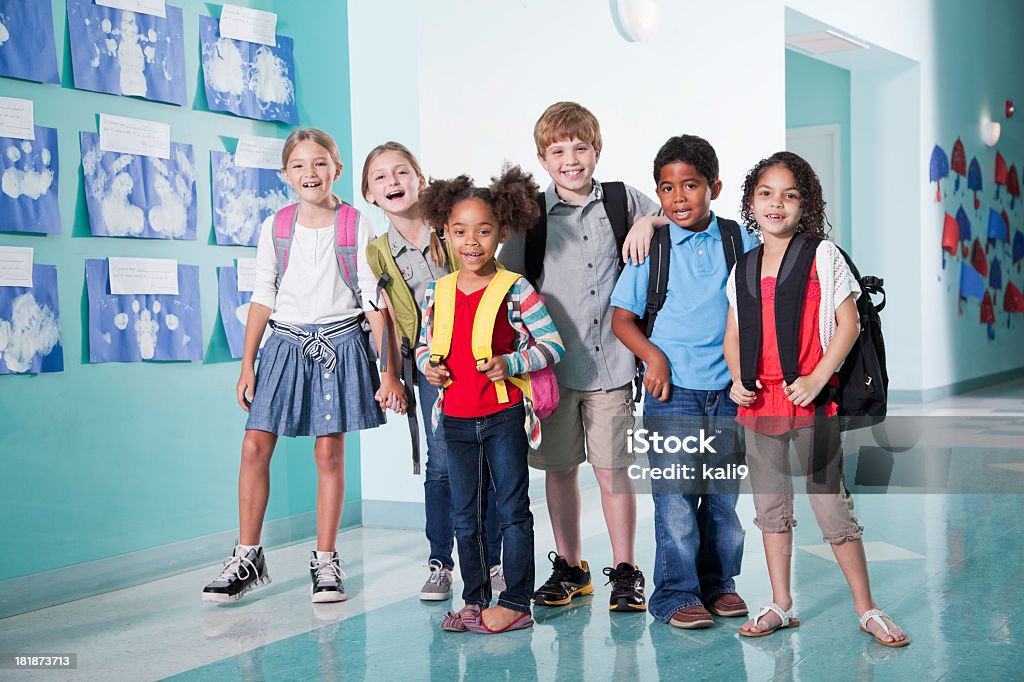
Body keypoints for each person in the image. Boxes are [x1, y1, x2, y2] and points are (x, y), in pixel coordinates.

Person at [202, 128, 405, 604]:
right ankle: (247, 555)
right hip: (283, 347)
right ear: (285, 174)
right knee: (254, 446)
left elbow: (376, 302)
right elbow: (262, 295)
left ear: (337, 169)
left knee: (328, 454)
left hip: (338, 345)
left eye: (319, 163)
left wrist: (389, 370)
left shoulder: (358, 225)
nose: (309, 173)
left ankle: (327, 562)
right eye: (298, 165)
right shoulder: (276, 226)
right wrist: (247, 363)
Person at [724, 151, 908, 647]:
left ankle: (866, 608)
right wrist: (737, 379)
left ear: (805, 204)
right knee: (770, 509)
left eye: (790, 194)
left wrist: (815, 378)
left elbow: (847, 326)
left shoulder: (823, 255)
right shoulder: (743, 265)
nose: (776, 203)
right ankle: (781, 604)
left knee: (831, 507)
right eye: (766, 193)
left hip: (811, 402)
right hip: (757, 405)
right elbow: (734, 335)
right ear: (750, 202)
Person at [498, 101, 660, 612]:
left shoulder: (622, 201)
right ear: (543, 159)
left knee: (613, 471)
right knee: (560, 469)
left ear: (596, 150)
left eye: (580, 147)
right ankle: (570, 567)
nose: (571, 159)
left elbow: (675, 219)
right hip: (551, 370)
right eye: (558, 150)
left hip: (613, 365)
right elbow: (506, 286)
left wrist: (649, 223)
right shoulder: (531, 218)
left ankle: (627, 570)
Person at [611, 134, 759, 628]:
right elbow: (622, 319)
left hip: (731, 391)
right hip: (671, 393)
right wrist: (653, 358)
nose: (678, 198)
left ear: (713, 187)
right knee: (674, 499)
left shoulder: (740, 240)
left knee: (722, 499)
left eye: (690, 185)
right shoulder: (651, 246)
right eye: (667, 188)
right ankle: (675, 593)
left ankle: (719, 585)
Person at [416, 166, 564, 634]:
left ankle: (517, 600)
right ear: (445, 233)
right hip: (455, 418)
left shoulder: (515, 288)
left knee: (511, 511)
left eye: (483, 230)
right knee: (465, 517)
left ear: (502, 232)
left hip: (502, 417)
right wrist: (427, 366)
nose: (472, 242)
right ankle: (476, 599)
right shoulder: (435, 293)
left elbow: (552, 346)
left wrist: (511, 364)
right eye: (460, 231)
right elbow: (423, 346)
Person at [362, 142, 504, 602]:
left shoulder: (454, 228)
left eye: (402, 172)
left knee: (489, 466)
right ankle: (441, 562)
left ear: (421, 179)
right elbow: (382, 317)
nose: (393, 182)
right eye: (380, 178)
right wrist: (392, 375)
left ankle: (494, 562)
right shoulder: (378, 253)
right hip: (433, 371)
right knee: (442, 466)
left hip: (484, 363)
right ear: (369, 194)